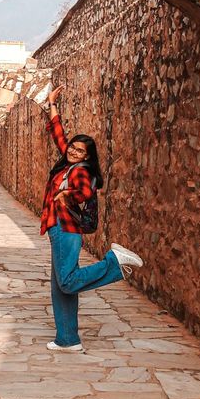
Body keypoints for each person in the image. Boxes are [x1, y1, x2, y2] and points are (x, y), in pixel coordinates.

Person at [41, 84, 144, 352]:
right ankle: (68, 339)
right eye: (72, 149)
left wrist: (66, 195)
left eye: (78, 151)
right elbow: (59, 136)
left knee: (67, 280)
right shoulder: (69, 162)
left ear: (87, 156)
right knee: (60, 287)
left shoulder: (80, 171)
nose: (73, 152)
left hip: (66, 227)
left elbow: (85, 191)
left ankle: (114, 264)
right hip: (57, 227)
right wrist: (52, 105)